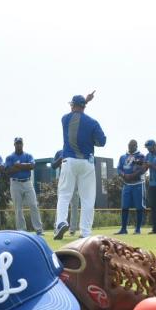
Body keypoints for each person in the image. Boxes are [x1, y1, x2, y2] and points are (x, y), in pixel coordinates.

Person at [53, 92, 106, 240]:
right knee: (88, 199)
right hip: (87, 163)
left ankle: (61, 222)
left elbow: (76, 115)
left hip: (69, 161)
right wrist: (91, 140)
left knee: (64, 195)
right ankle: (85, 232)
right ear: (84, 106)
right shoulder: (93, 122)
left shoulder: (65, 119)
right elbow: (102, 142)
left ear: (72, 105)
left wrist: (85, 101)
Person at [5, 137, 43, 235]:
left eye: (20, 143)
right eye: (17, 143)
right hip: (15, 183)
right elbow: (8, 171)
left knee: (33, 205)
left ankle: (38, 229)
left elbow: (32, 166)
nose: (19, 145)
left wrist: (17, 166)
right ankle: (22, 230)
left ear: (23, 144)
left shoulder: (28, 155)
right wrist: (23, 167)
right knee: (18, 208)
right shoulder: (10, 157)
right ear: (14, 144)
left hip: (27, 182)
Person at [115, 139, 146, 235]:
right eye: (129, 145)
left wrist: (132, 176)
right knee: (124, 206)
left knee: (139, 207)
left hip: (138, 184)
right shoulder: (123, 156)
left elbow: (142, 169)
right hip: (126, 184)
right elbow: (119, 168)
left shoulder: (141, 156)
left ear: (136, 146)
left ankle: (137, 229)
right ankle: (123, 229)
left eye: (132, 145)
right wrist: (123, 175)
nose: (130, 147)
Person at [52, 150, 80, 235]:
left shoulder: (77, 149)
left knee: (74, 205)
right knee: (60, 204)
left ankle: (72, 229)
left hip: (75, 180)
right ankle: (57, 227)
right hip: (63, 180)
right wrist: (61, 158)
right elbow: (53, 166)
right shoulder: (60, 152)